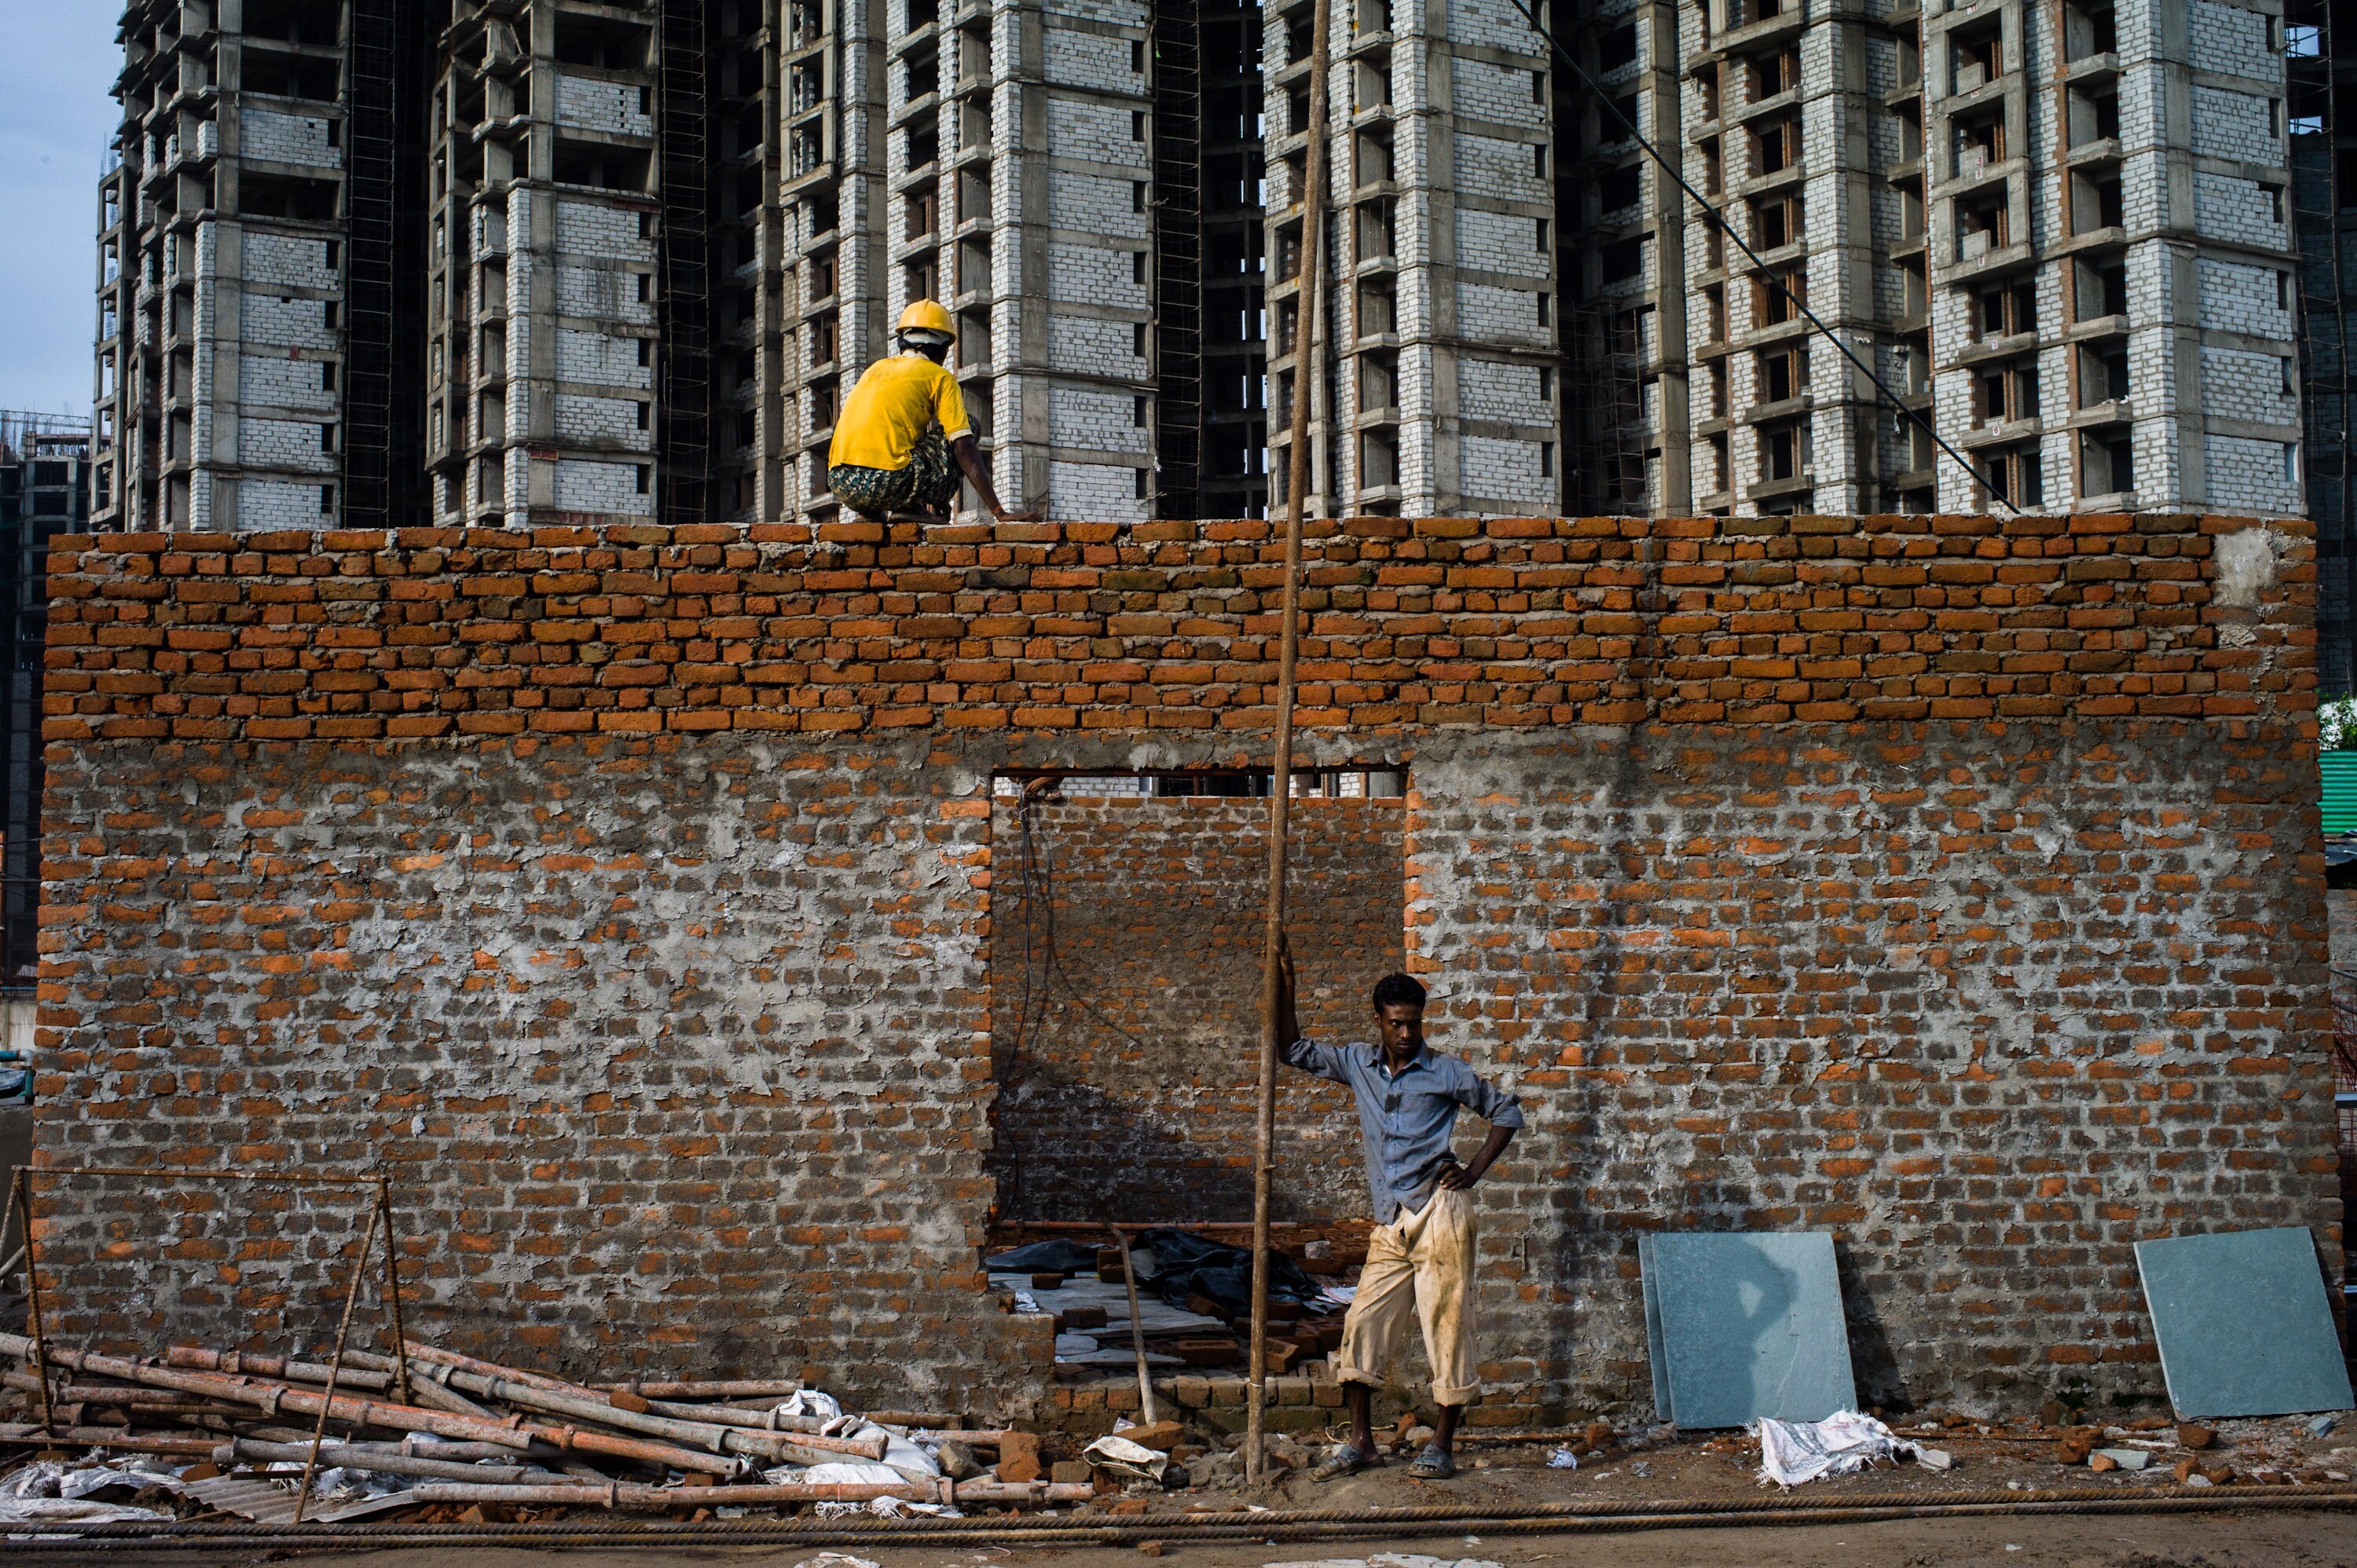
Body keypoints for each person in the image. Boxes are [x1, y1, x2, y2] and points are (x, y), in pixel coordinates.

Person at [1273, 940, 1523, 1482]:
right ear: (1379, 1021)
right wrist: (1286, 984)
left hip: (1440, 1213)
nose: (1407, 1033)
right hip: (1391, 1220)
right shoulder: (1357, 1063)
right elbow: (1290, 1050)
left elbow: (1506, 1112)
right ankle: (1361, 1443)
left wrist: (1473, 1171)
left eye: (1414, 1023)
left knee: (1447, 1326)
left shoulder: (1445, 1072)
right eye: (1396, 1024)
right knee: (1362, 1324)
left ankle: (1442, 1445)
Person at [827, 300, 1036, 523]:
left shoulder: (875, 369)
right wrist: (999, 511)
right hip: (890, 482)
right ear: (943, 350)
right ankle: (908, 508)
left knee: (902, 445)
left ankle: (869, 513)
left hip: (842, 482)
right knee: (968, 426)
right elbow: (963, 448)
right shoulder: (939, 376)